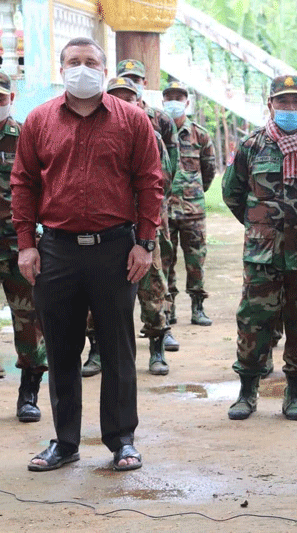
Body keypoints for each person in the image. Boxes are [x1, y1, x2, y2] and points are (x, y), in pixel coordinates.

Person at [11, 37, 162, 471]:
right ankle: (65, 442)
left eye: (91, 62)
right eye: (74, 61)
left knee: (117, 349)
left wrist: (144, 242)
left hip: (115, 251)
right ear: (62, 70)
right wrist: (27, 243)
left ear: (104, 69)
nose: (83, 68)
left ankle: (122, 440)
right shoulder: (39, 120)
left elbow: (150, 182)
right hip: (56, 250)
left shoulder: (132, 120)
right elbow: (23, 183)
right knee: (61, 348)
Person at [223, 75, 297, 422]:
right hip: (263, 255)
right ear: (271, 105)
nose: (290, 107)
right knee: (253, 323)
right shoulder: (252, 146)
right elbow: (233, 193)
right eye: (283, 101)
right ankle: (247, 392)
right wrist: (259, 226)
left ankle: (294, 394)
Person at [106, 76, 174, 375]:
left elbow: (164, 181)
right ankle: (98, 349)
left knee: (152, 287)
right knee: (101, 290)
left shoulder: (151, 135)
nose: (123, 103)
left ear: (139, 102)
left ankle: (157, 347)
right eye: (116, 97)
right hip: (106, 226)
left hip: (143, 224)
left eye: (129, 98)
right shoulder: (96, 132)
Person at [117, 58, 180, 352]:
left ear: (142, 89)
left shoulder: (158, 123)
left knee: (155, 271)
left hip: (149, 213)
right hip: (111, 218)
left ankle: (159, 335)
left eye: (134, 82)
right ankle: (100, 346)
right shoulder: (96, 125)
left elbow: (168, 169)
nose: (125, 102)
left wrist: (154, 206)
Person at [0, 71, 48, 422]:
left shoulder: (25, 139)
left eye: (0, 99)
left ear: (11, 99)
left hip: (19, 245)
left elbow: (43, 188)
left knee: (29, 319)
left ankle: (29, 391)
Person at [161, 81, 216, 327]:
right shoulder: (156, 131)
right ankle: (168, 309)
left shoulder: (199, 134)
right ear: (163, 101)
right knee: (165, 262)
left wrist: (194, 194)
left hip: (193, 212)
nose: (174, 101)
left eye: (179, 97)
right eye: (170, 97)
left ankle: (198, 307)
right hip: (163, 210)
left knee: (196, 261)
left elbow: (209, 170)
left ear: (187, 102)